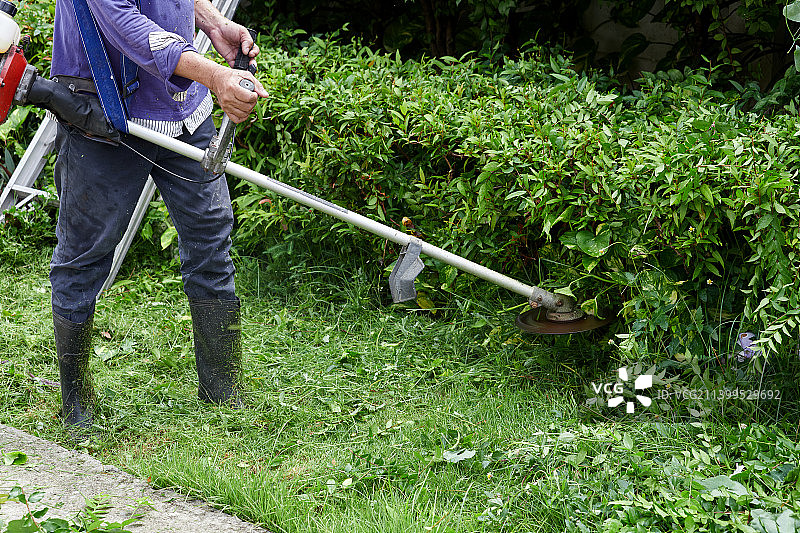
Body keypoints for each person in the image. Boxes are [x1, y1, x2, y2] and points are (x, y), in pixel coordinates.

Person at [49, 0, 268, 433]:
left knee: (211, 241)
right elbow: (125, 22)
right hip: (104, 114)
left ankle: (222, 391)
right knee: (84, 255)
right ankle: (77, 400)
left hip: (185, 111)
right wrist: (215, 76)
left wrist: (212, 22)